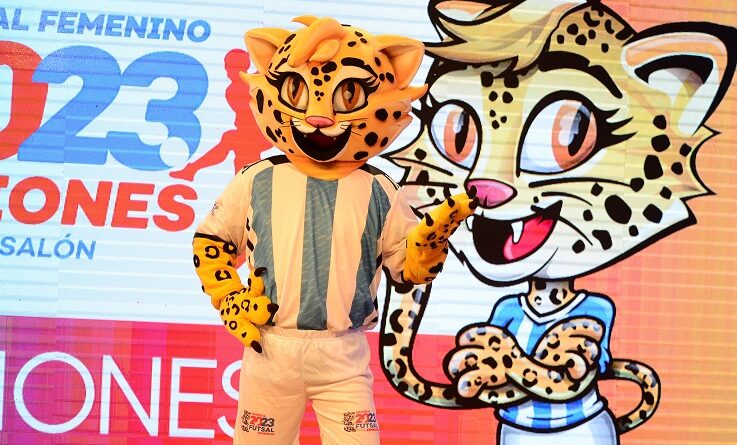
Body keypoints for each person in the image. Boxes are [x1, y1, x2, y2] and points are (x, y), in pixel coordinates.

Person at [191, 15, 477, 445]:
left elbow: (406, 268)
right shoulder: (256, 179)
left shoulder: (380, 189)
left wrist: (428, 246)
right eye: (298, 92)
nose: (320, 117)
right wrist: (229, 298)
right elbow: (211, 241)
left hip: (343, 353)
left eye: (347, 95)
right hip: (270, 346)